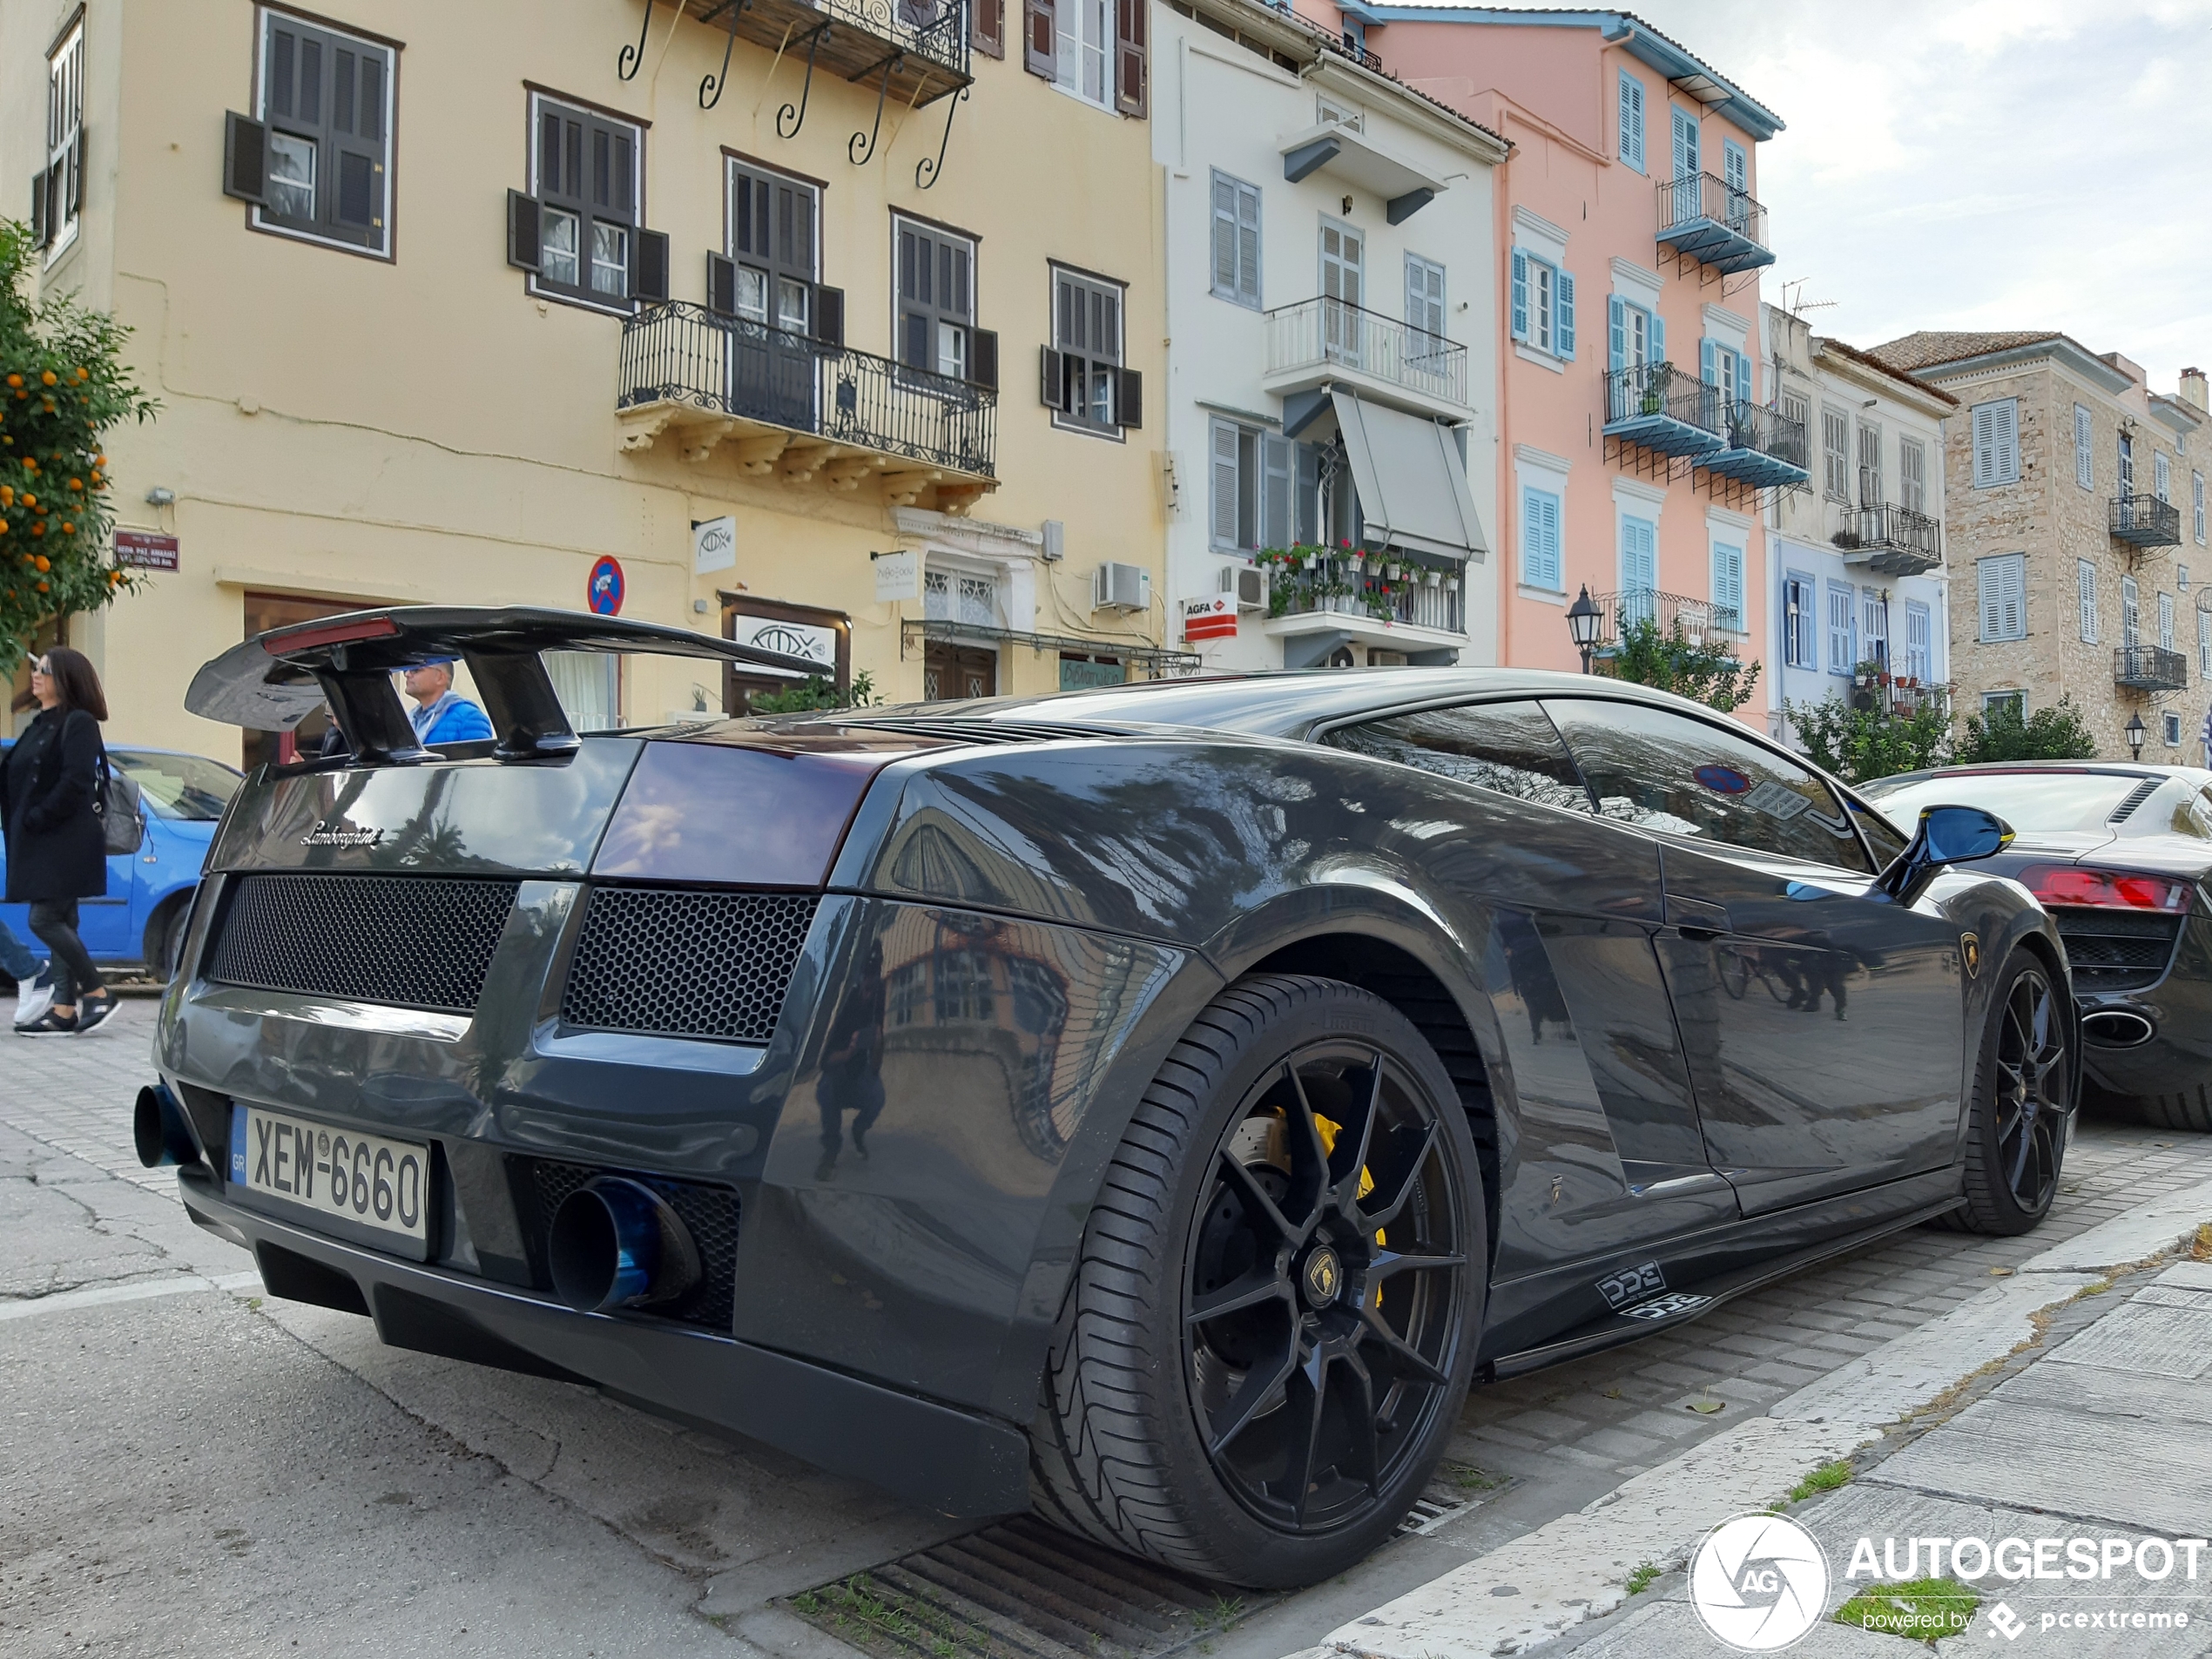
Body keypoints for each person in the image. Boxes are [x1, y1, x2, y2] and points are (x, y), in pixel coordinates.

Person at [1, 648, 118, 1035]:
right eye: (35, 668)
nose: (35, 675)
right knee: (63, 919)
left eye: (44, 670)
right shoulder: (39, 722)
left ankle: (99, 991)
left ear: (65, 679)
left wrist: (38, 816)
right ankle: (65, 1008)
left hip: (65, 840)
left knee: (44, 918)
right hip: (41, 840)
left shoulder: (79, 722)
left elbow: (77, 782)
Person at [401, 659, 493, 745]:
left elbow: (478, 761)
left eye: (415, 670)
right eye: (405, 670)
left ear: (440, 677)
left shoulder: (469, 717)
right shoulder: (409, 720)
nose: (407, 674)